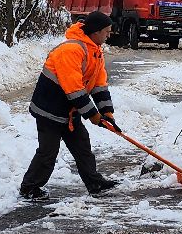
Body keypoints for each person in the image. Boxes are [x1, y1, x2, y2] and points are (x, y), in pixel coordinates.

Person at [20, 11, 121, 199]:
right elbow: (73, 89)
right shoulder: (71, 50)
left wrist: (107, 113)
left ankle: (94, 182)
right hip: (49, 109)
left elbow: (99, 85)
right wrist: (93, 115)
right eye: (107, 31)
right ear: (96, 31)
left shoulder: (94, 51)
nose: (109, 35)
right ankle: (29, 188)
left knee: (82, 146)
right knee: (48, 152)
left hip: (69, 110)